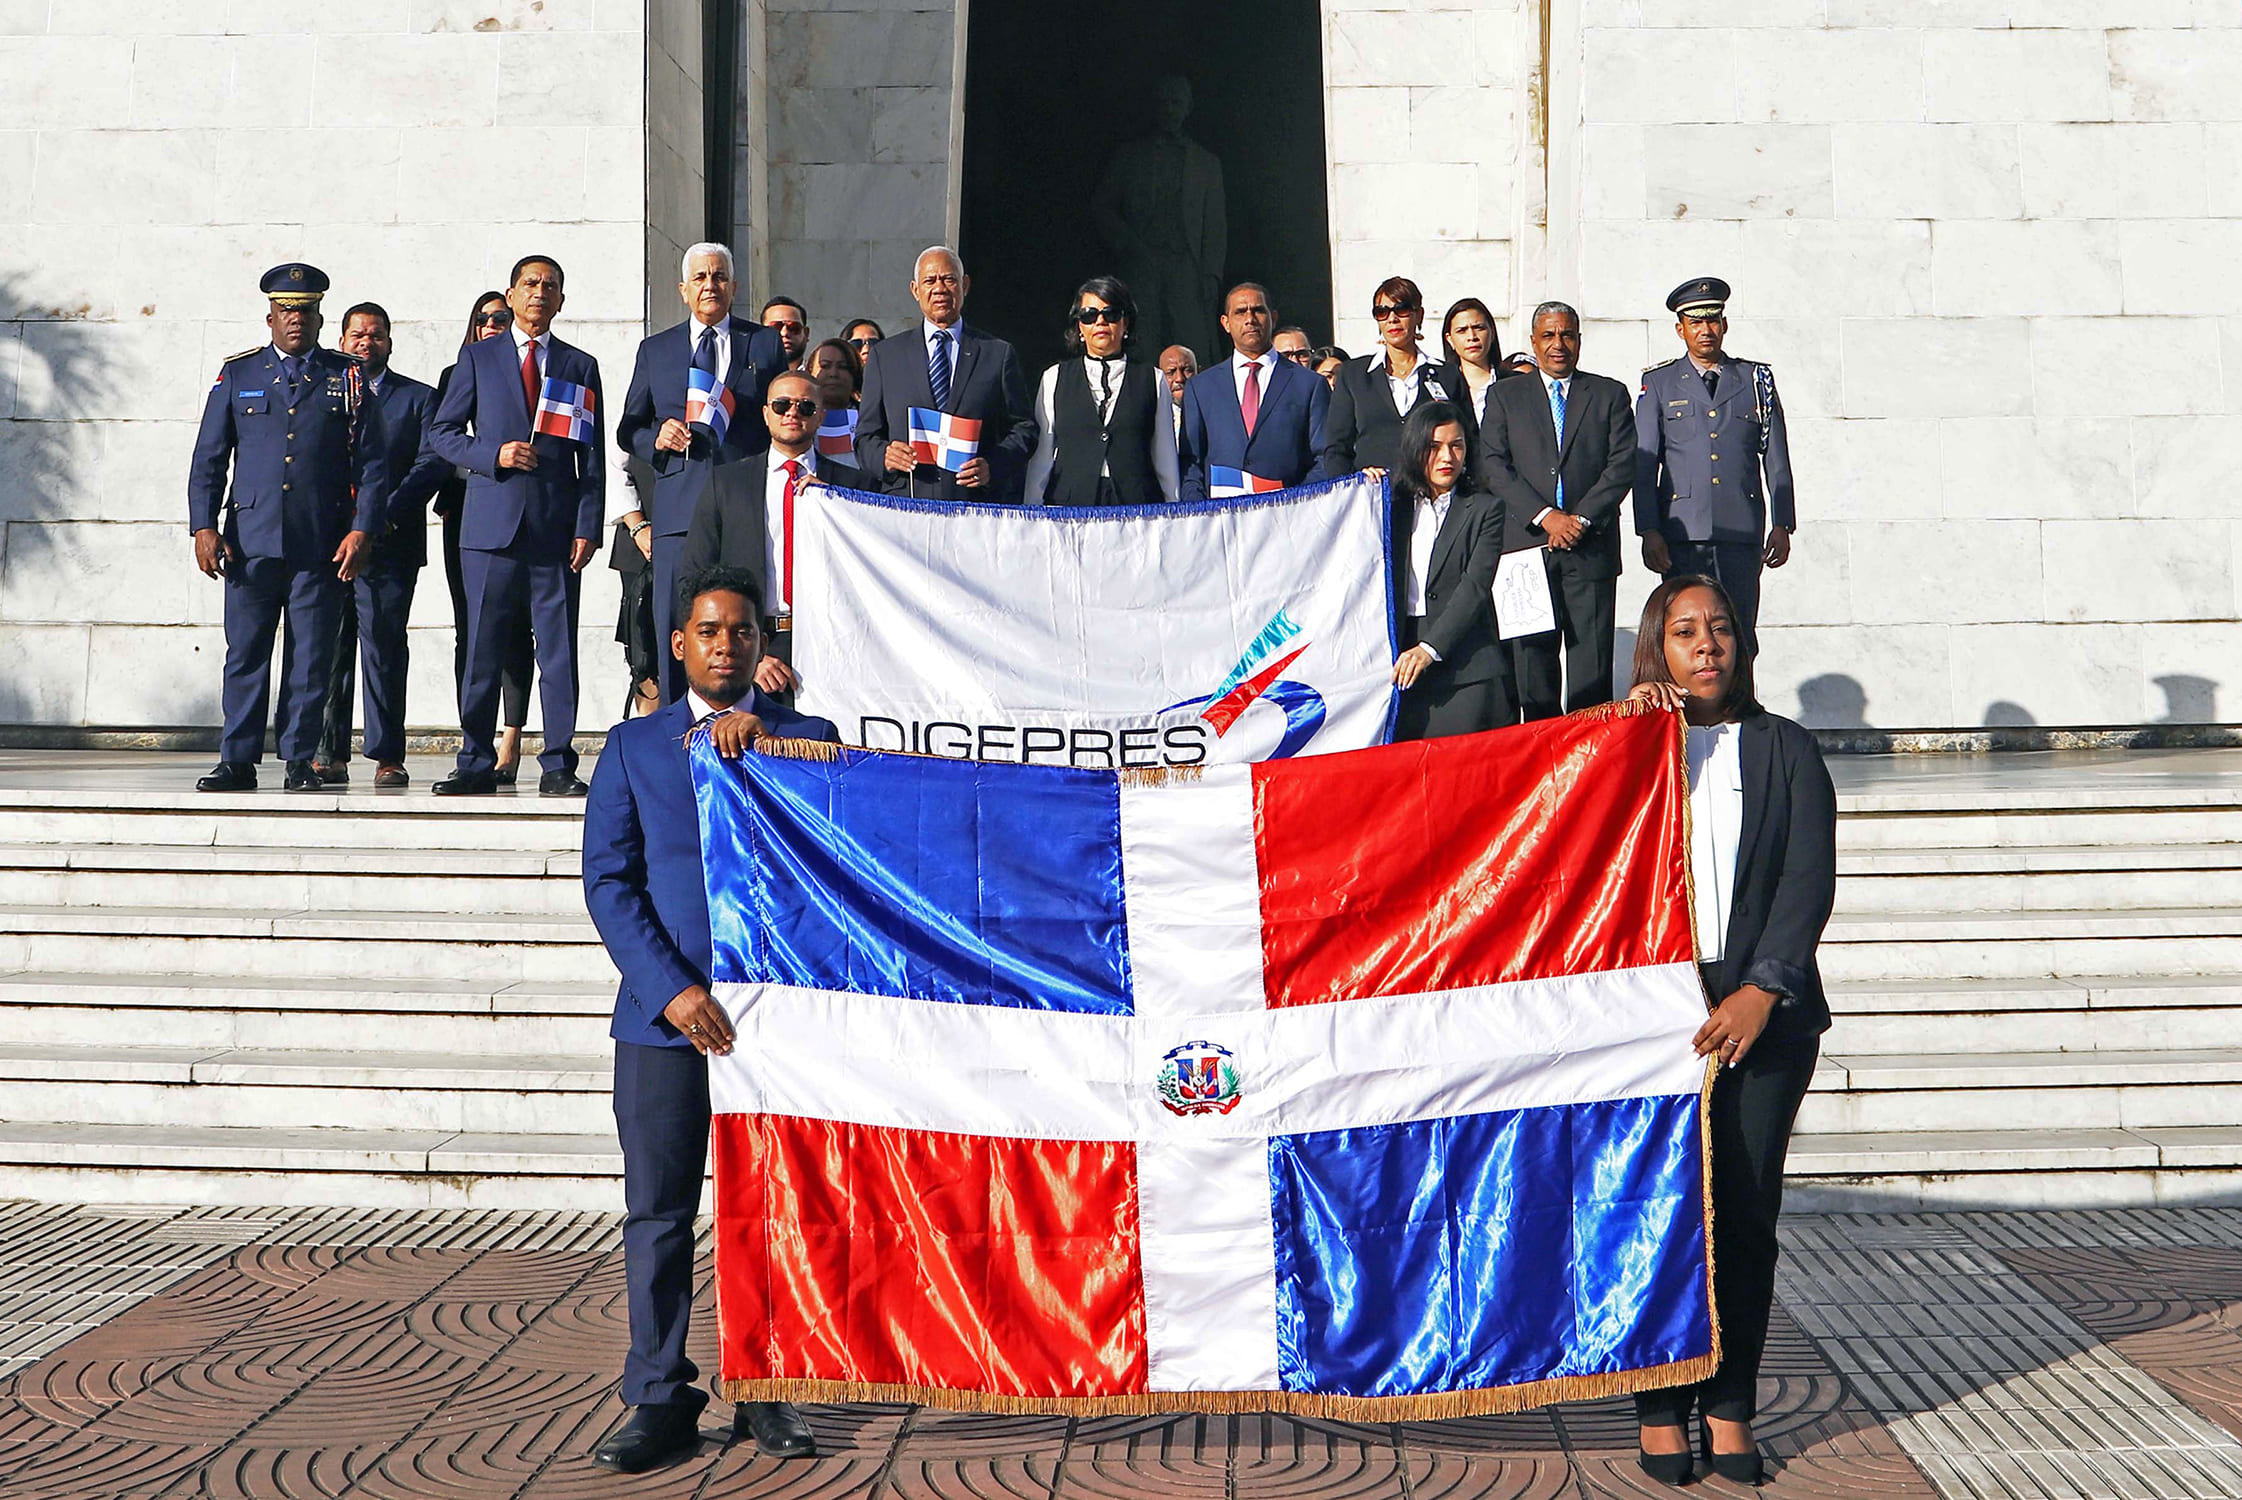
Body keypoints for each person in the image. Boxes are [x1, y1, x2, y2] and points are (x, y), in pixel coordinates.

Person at [583, 564, 837, 1475]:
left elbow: (834, 859)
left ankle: (768, 1385)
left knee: (768, 1210)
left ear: (762, 644)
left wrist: (775, 738)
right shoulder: (634, 747)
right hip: (665, 1025)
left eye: (741, 631)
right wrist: (672, 989)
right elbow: (609, 883)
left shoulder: (807, 737)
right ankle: (658, 1396)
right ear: (680, 644)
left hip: (775, 1023)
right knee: (657, 1213)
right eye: (708, 631)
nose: (725, 644)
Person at [1618, 574, 1833, 1489]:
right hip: (1649, 1022)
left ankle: (1730, 1403)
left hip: (1762, 1016)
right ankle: (1660, 1409)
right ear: (1655, 650)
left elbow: (1804, 884)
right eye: (1682, 632)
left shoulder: (1787, 750)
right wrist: (1619, 737)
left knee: (1744, 1218)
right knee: (1654, 1221)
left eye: (1717, 630)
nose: (1704, 645)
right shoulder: (1625, 748)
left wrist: (1760, 990)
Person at [188, 262, 388, 794]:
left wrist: (362, 528)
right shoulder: (240, 374)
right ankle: (237, 759)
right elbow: (210, 457)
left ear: (320, 317)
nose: (295, 320)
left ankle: (300, 758)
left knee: (310, 655)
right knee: (247, 651)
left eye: (305, 311)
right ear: (270, 316)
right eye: (285, 311)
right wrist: (203, 526)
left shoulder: (346, 375)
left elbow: (372, 463)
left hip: (320, 539)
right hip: (249, 541)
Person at [426, 253, 605, 798]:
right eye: (530, 284)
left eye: (551, 286)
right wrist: (493, 455)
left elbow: (591, 457)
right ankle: (475, 759)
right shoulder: (477, 360)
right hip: (489, 527)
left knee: (557, 654)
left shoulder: (578, 365)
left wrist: (588, 526)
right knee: (482, 647)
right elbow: (442, 432)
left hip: (553, 532)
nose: (539, 293)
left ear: (561, 300)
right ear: (511, 293)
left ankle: (556, 763)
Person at [615, 243, 789, 703]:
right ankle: (677, 742)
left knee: (742, 624)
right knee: (679, 628)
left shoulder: (765, 344)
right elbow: (627, 429)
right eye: (700, 278)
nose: (709, 285)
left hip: (745, 505)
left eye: (718, 277)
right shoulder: (657, 350)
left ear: (733, 287)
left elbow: (783, 414)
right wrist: (657, 436)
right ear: (683, 290)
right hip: (678, 511)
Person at [1480, 301, 1635, 719]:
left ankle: (1589, 768)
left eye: (1567, 335)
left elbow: (1622, 465)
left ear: (1579, 341)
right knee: (1533, 671)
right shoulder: (1505, 395)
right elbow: (1493, 464)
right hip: (1526, 548)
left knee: (1592, 670)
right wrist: (1546, 516)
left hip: (1591, 548)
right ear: (1533, 342)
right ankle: (1544, 767)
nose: (1558, 344)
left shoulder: (1608, 394)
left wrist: (1579, 519)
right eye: (1548, 336)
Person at [680, 369, 873, 700]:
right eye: (782, 405)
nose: (793, 414)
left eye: (805, 407)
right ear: (766, 413)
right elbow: (696, 575)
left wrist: (840, 505)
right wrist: (752, 658)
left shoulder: (853, 486)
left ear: (821, 416)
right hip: (752, 645)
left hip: (833, 646)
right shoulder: (726, 483)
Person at [316, 301, 447, 788]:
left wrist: (376, 519)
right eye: (357, 335)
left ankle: (387, 753)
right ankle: (326, 751)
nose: (366, 343)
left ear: (389, 342)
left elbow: (431, 461)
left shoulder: (418, 399)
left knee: (384, 647)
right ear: (342, 339)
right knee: (328, 647)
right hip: (328, 544)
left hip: (390, 544)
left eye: (376, 335)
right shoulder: (319, 393)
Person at [1635, 276, 1795, 659]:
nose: (1705, 331)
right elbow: (1644, 465)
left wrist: (1783, 523)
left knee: (1739, 633)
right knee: (1686, 634)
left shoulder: (1755, 380)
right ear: (1680, 329)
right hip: (1682, 532)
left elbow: (1776, 458)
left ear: (1724, 325)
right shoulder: (1659, 383)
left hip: (1740, 528)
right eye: (1695, 322)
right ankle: (1690, 717)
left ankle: (1742, 714)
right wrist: (1649, 530)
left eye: (1712, 321)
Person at [432, 293, 537, 784]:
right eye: (485, 318)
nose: (494, 324)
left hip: (534, 518)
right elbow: (442, 439)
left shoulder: (546, 363)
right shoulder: (463, 371)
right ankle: (473, 737)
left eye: (502, 316)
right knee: (474, 634)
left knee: (520, 635)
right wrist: (493, 454)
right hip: (473, 515)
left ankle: (511, 737)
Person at [855, 245, 1036, 502]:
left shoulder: (997, 354)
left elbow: (1024, 428)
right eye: (929, 281)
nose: (939, 288)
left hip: (973, 505)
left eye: (948, 279)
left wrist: (993, 465)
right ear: (915, 290)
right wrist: (884, 455)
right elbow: (864, 437)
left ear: (965, 285)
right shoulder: (886, 356)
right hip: (906, 504)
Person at [1387, 401, 1505, 739]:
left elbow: (1475, 586)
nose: (1447, 457)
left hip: (1464, 665)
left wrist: (1429, 648)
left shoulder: (1486, 508)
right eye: (1434, 446)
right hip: (1398, 661)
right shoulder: (1389, 506)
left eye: (1457, 445)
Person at [1091, 74, 1226, 357]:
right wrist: (1127, 243)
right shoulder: (1129, 156)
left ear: (1188, 107)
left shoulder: (1206, 163)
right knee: (1140, 338)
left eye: (1176, 103)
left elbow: (1215, 225)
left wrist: (1211, 274)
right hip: (1141, 262)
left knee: (1192, 341)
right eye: (1163, 103)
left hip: (1187, 265)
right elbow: (1102, 206)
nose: (1169, 109)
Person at [1025, 276, 1179, 506]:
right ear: (1079, 326)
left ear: (1125, 323)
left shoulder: (1153, 379)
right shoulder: (1054, 378)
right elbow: (1043, 455)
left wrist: (1173, 511)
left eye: (1111, 314)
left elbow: (1164, 455)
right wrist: (1033, 509)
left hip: (1137, 510)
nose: (1100, 322)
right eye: (1089, 315)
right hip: (1071, 510)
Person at [1178, 283, 1329, 502]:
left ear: (1273, 318)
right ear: (1226, 323)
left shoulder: (1309, 385)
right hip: (1220, 523)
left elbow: (1325, 457)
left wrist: (1295, 504)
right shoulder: (1201, 388)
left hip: (1288, 520)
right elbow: (1191, 462)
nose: (1250, 319)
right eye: (1240, 312)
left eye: (1258, 310)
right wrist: (1200, 513)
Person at [1323, 276, 1475, 477]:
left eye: (1401, 309)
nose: (1392, 318)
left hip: (1433, 495)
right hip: (1373, 497)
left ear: (1419, 315)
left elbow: (1470, 440)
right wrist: (1354, 482)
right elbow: (1336, 449)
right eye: (1382, 312)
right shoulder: (1353, 375)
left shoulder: (1447, 375)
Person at [1440, 297, 1509, 431]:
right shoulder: (1440, 386)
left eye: (1478, 328)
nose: (1472, 337)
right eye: (1462, 330)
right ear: (1450, 339)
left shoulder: (1514, 383)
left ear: (1492, 333)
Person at [1156, 343, 1197, 448]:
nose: (1179, 378)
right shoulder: (1154, 416)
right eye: (1171, 372)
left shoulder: (1212, 411)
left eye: (1187, 370)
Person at [759, 295, 810, 370]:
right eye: (775, 328)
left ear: (806, 334)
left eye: (794, 328)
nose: (784, 333)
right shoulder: (746, 378)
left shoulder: (820, 378)